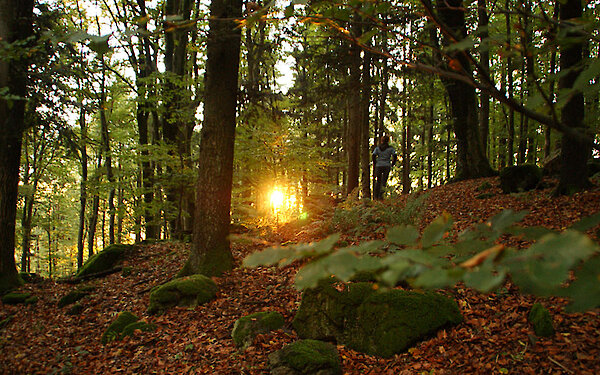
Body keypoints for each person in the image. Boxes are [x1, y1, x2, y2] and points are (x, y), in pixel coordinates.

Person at [372, 135, 397, 200]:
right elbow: (395, 155)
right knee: (384, 181)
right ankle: (381, 196)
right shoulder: (390, 148)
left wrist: (375, 163)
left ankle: (376, 196)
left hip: (379, 165)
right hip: (387, 165)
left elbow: (373, 155)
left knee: (378, 181)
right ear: (388, 140)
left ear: (382, 140)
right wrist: (393, 163)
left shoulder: (377, 148)